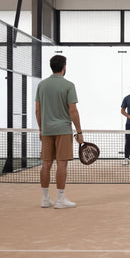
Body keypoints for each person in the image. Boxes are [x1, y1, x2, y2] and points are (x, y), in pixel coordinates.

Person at [35, 55, 83, 209]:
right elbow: (73, 111)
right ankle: (60, 200)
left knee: (46, 164)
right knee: (62, 164)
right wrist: (79, 132)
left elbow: (38, 109)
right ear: (64, 67)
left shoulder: (42, 85)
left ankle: (45, 199)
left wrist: (41, 129)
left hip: (47, 130)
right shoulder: (69, 85)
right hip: (63, 130)